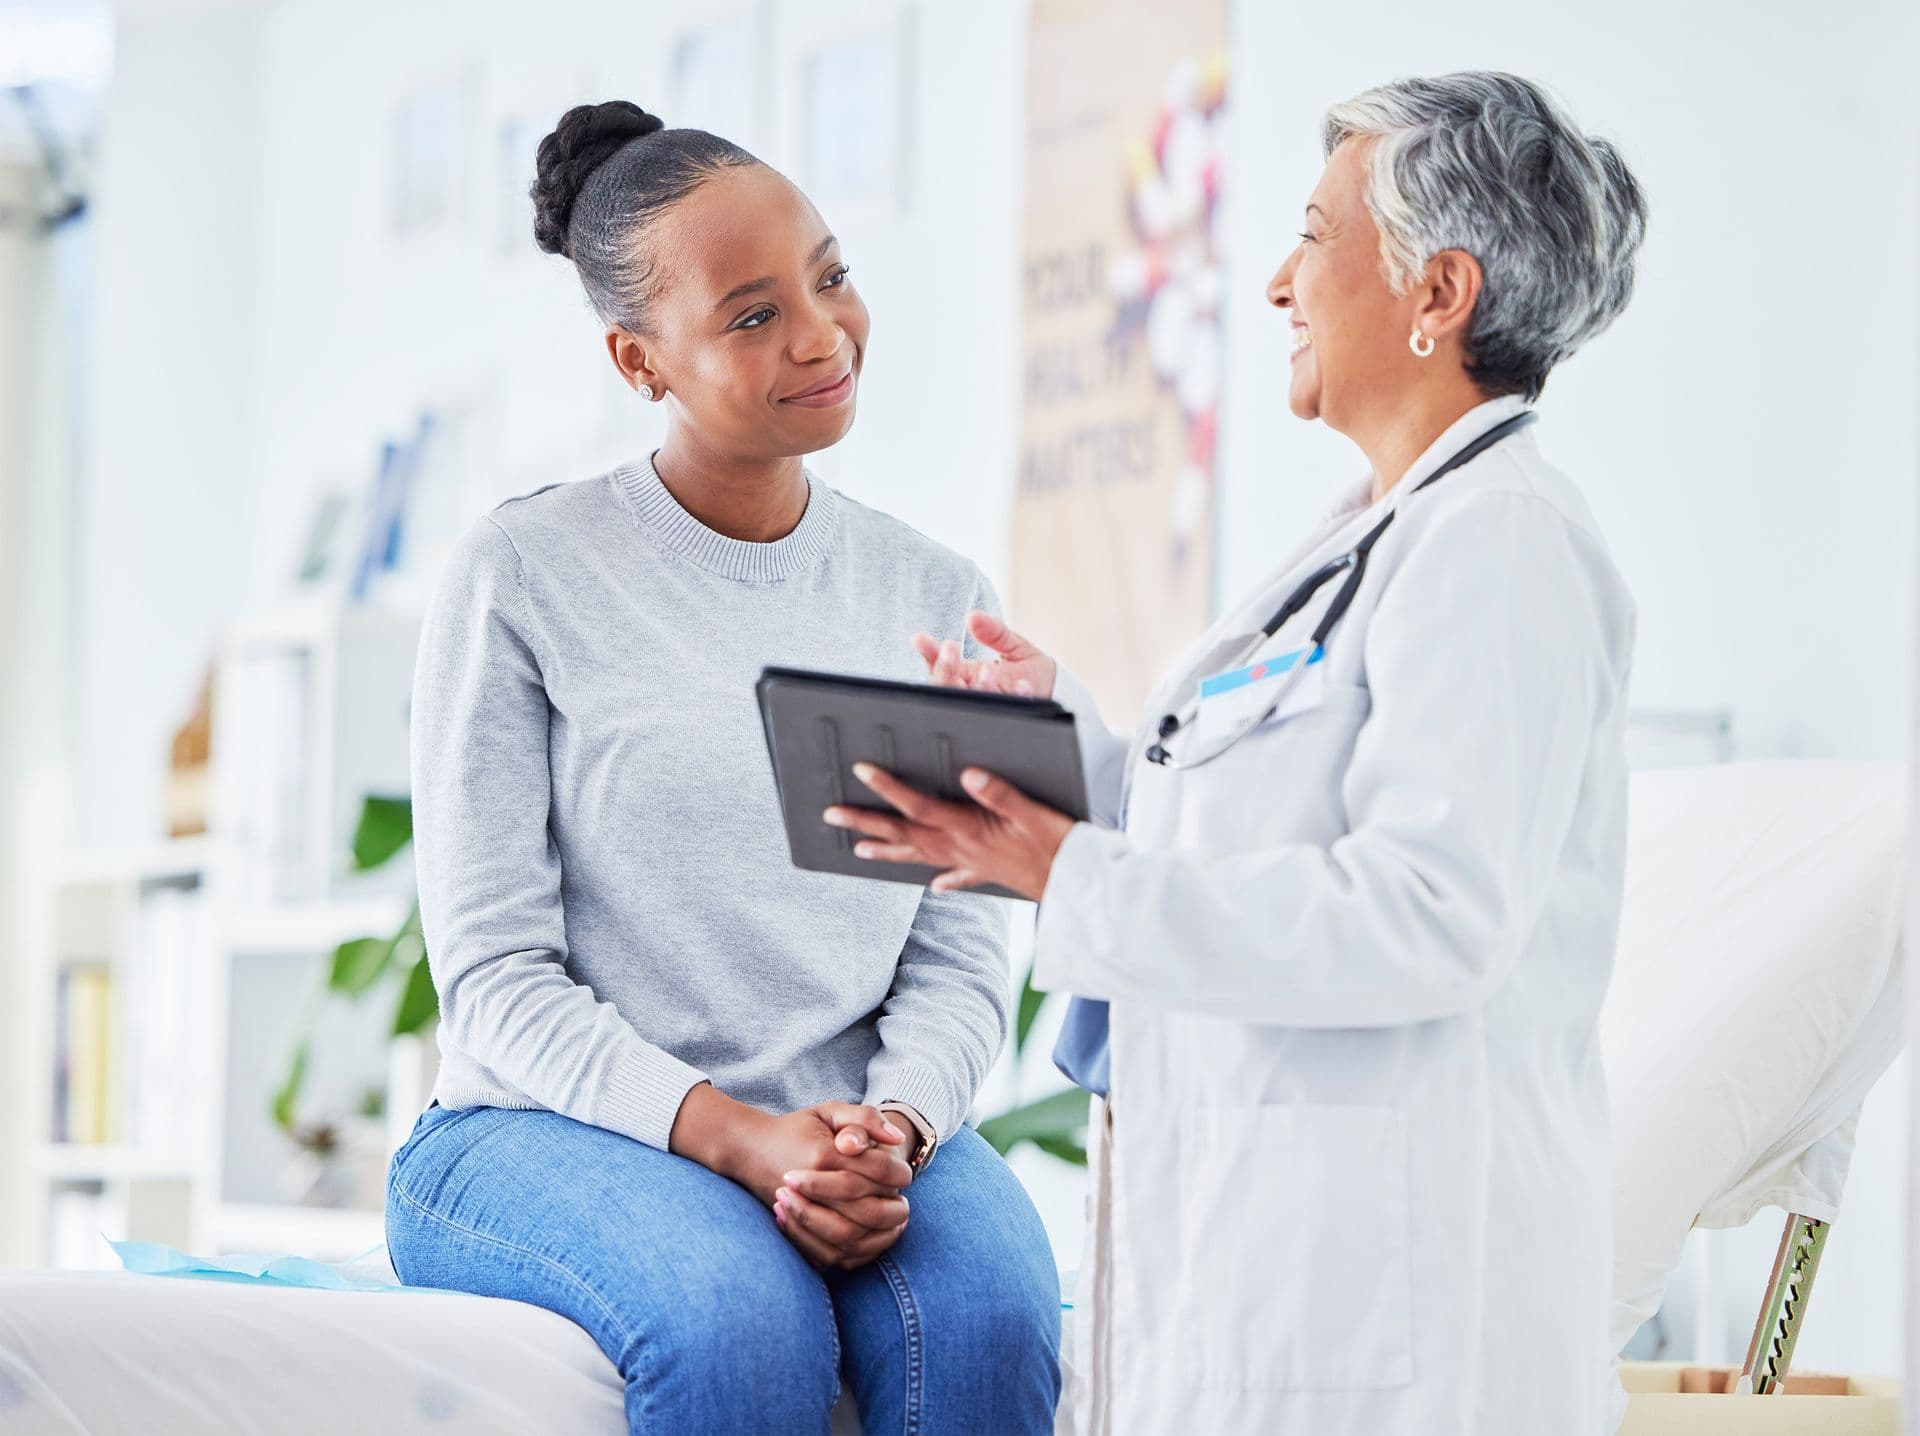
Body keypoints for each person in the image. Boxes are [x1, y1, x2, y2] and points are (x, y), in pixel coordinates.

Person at [831, 72, 1646, 1435]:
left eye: (1315, 237)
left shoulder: (1501, 543)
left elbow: (1430, 915)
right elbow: (1257, 832)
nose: (1276, 282)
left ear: (1437, 294)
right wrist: (1066, 754)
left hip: (1403, 1318)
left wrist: (1071, 874)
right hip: (1277, 1270)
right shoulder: (1374, 540)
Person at [383, 100, 1060, 1436]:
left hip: (858, 1120)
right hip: (541, 1129)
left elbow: (966, 947)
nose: (819, 332)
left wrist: (899, 1129)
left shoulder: (937, 592)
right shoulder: (521, 577)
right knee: (738, 1319)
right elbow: (495, 979)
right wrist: (741, 1139)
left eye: (831, 275)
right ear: (640, 362)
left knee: (988, 1321)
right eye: (752, 315)